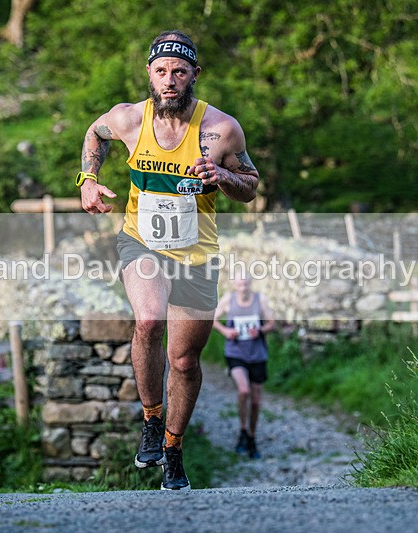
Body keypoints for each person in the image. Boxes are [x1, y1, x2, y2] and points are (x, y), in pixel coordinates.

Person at [77, 30, 260, 490]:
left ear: (194, 74)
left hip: (197, 254)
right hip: (141, 241)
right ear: (150, 76)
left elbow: (252, 186)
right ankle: (152, 420)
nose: (170, 80)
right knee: (148, 320)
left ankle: (174, 449)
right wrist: (88, 179)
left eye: (179, 71)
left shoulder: (220, 129)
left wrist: (221, 175)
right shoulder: (127, 120)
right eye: (161, 72)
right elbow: (93, 134)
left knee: (184, 362)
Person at [212, 274, 274, 459]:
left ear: (250, 284)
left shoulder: (260, 299)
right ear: (234, 284)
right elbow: (213, 319)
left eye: (246, 283)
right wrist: (226, 331)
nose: (243, 286)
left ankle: (252, 438)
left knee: (255, 401)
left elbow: (272, 323)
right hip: (235, 353)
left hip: (257, 355)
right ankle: (243, 430)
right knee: (244, 391)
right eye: (239, 283)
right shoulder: (228, 299)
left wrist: (260, 330)